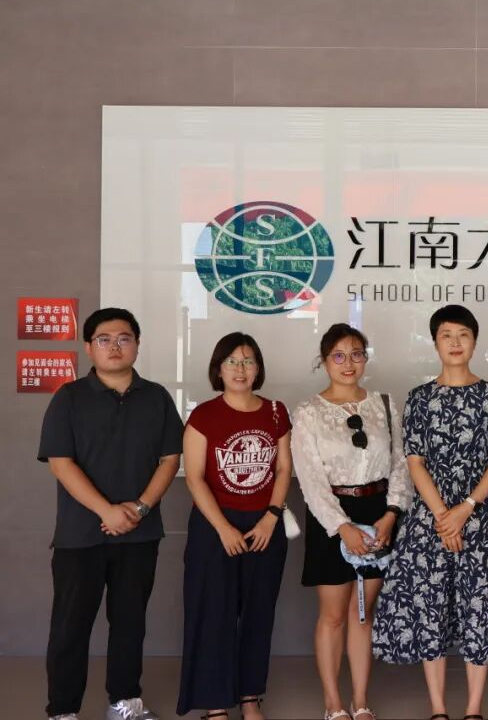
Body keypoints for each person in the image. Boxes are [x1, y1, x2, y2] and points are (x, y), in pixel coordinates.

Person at [38, 307, 183, 720]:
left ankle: (124, 702)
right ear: (89, 347)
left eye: (124, 338)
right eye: (104, 339)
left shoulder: (156, 397)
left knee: (130, 623)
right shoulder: (68, 398)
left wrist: (139, 507)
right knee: (70, 627)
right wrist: (107, 510)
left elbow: (170, 459)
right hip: (79, 535)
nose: (114, 346)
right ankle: (62, 710)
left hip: (139, 533)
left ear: (137, 344)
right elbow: (60, 463)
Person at [372, 305, 488, 720]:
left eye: (463, 334)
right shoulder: (420, 398)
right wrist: (442, 516)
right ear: (435, 342)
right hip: (430, 522)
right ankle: (437, 708)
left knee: (475, 612)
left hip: (479, 520)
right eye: (446, 335)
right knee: (430, 610)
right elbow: (415, 462)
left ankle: (473, 708)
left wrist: (464, 509)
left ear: (475, 342)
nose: (455, 342)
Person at [292, 323, 412, 720]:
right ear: (324, 361)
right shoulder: (309, 412)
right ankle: (333, 703)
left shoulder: (384, 404)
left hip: (378, 513)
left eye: (356, 354)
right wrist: (341, 527)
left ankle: (360, 701)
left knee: (363, 613)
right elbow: (310, 478)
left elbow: (400, 464)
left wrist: (391, 514)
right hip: (331, 516)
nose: (348, 363)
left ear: (366, 358)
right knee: (333, 615)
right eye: (339, 356)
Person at [176, 333, 293, 720]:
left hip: (264, 525)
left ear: (258, 368)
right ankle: (215, 703)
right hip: (215, 526)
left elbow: (283, 469)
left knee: (259, 614)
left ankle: (249, 697)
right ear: (218, 369)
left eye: (247, 361)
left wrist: (271, 517)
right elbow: (195, 478)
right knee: (215, 614)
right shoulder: (204, 415)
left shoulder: (275, 412)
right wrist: (223, 528)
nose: (240, 369)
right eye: (231, 361)